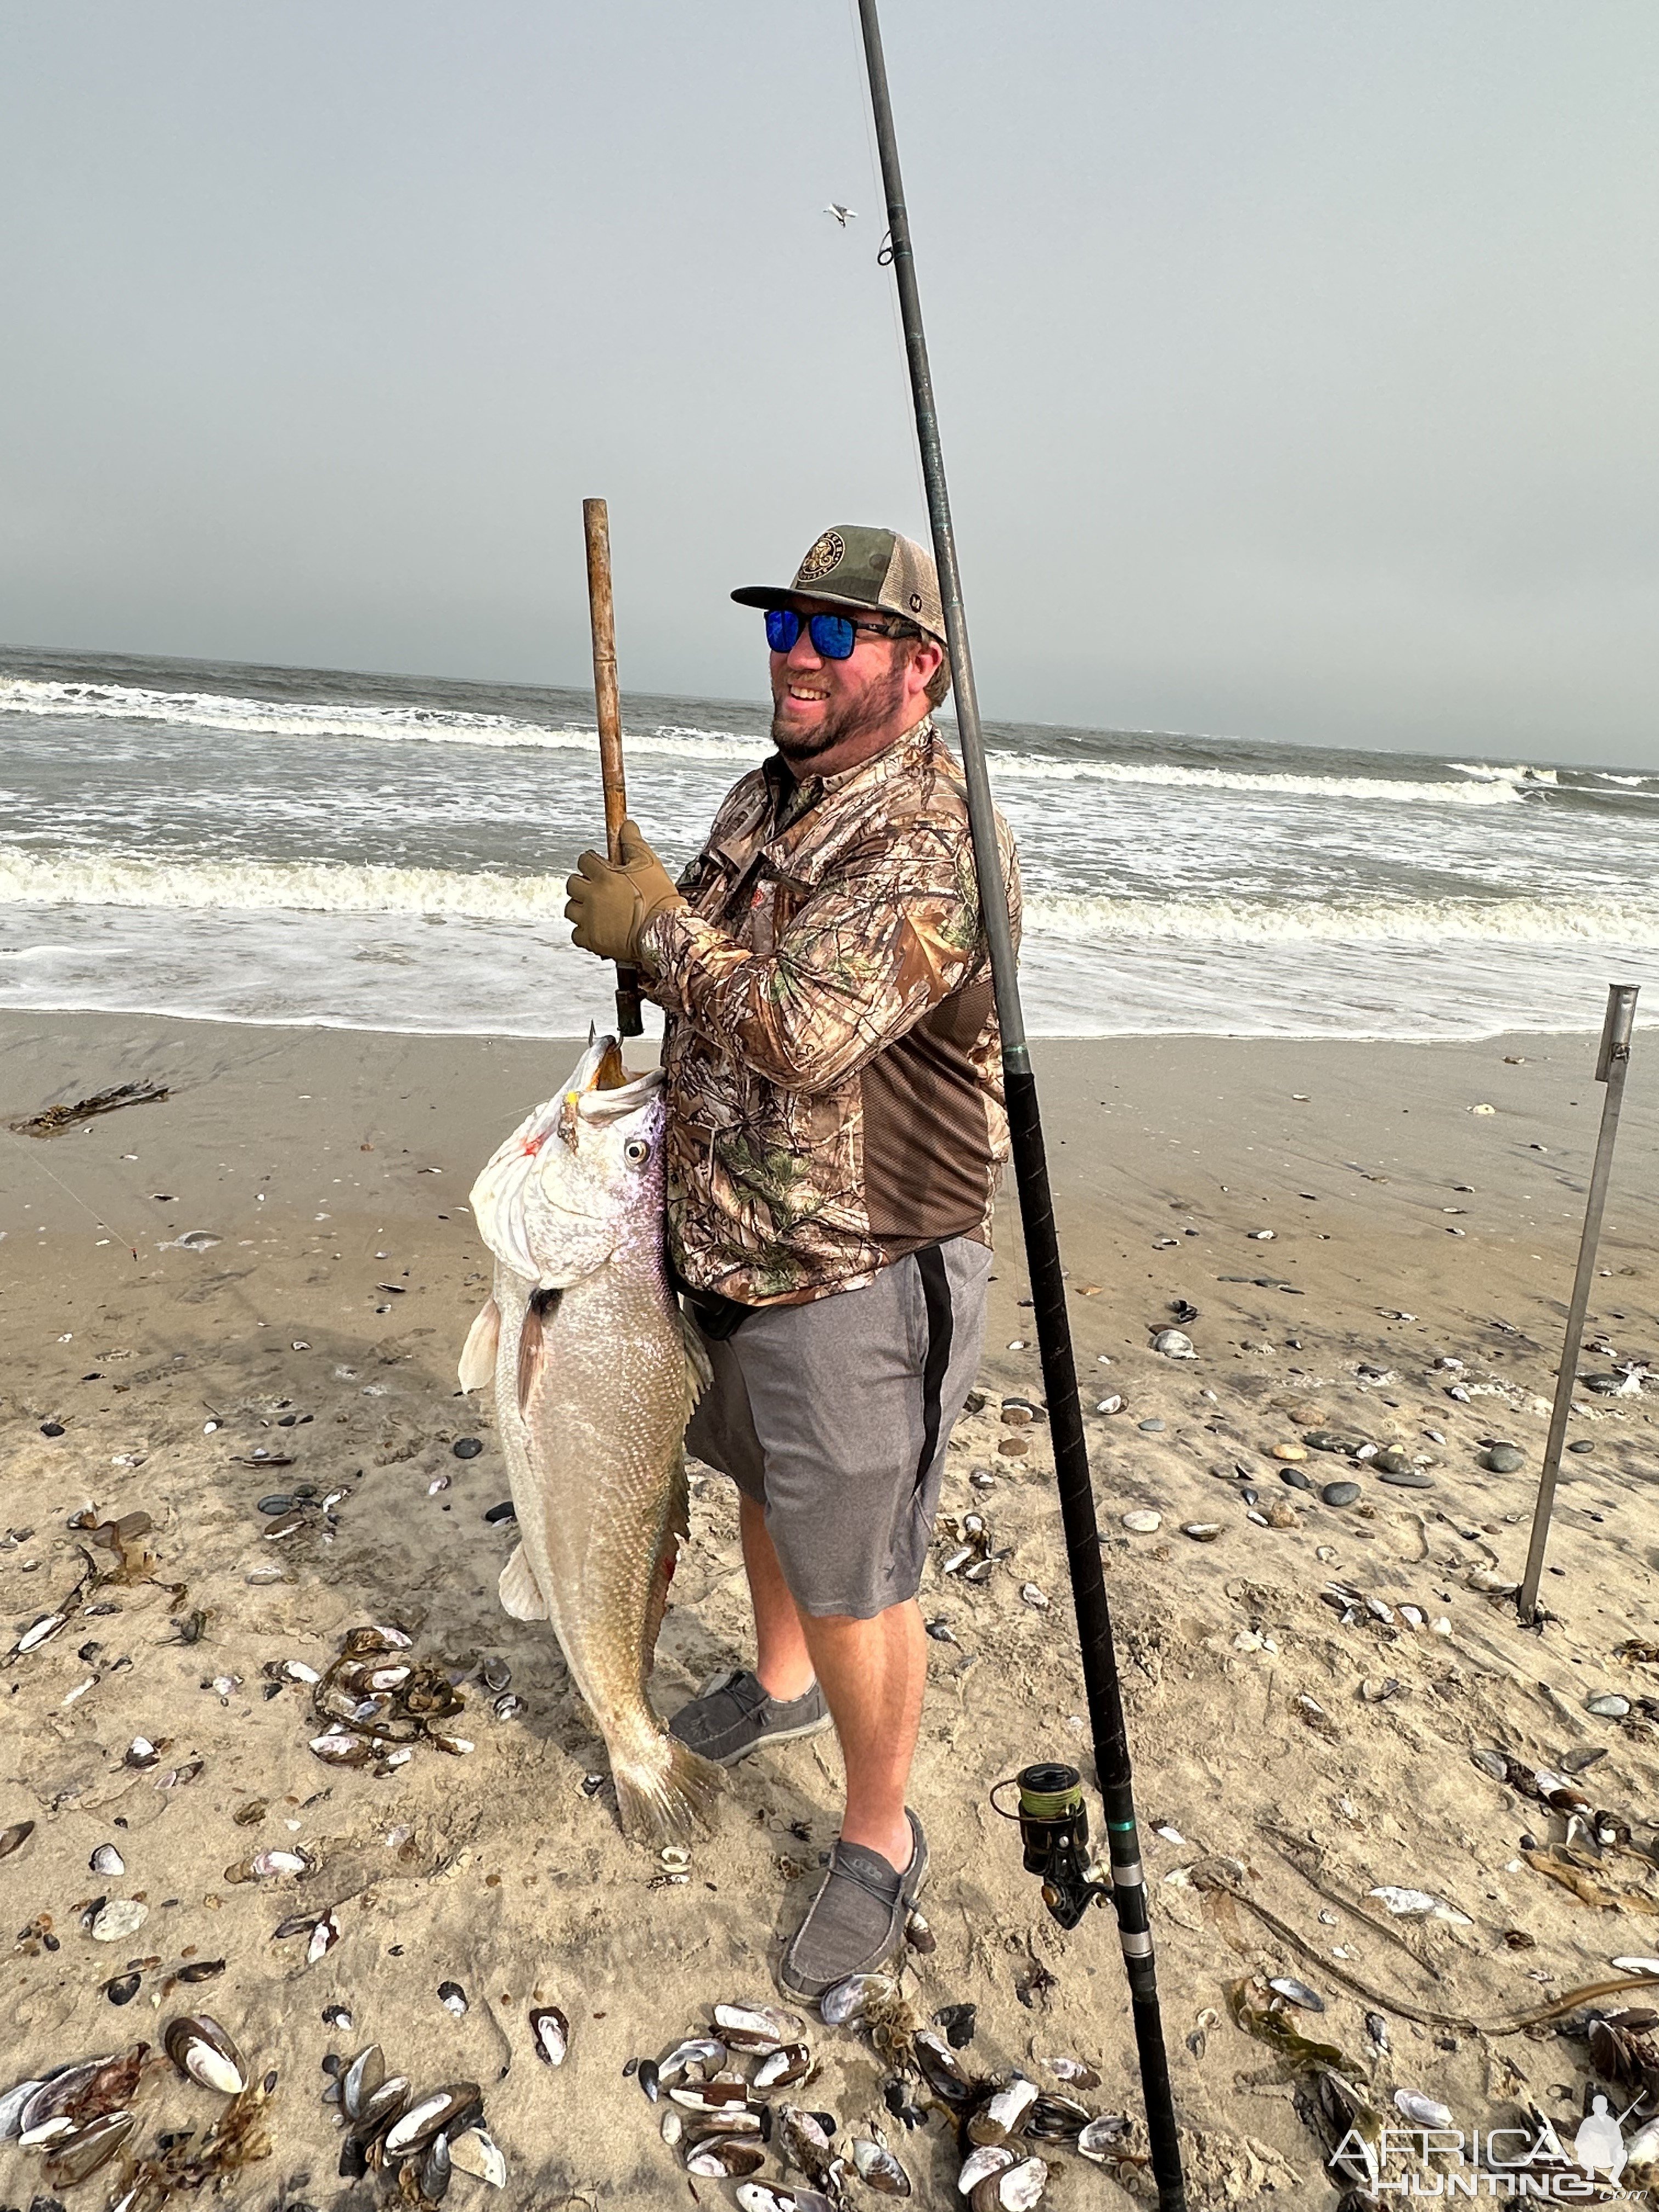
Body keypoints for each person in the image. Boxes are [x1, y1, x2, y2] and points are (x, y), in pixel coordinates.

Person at [563, 523, 1019, 1998]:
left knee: (862, 1574)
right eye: (785, 627)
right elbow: (698, 957)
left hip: (862, 1273)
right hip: (727, 1244)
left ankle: (881, 1839)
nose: (797, 654)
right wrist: (640, 931)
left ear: (920, 668)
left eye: (838, 633)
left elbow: (810, 1033)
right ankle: (776, 1686)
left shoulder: (939, 836)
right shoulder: (771, 795)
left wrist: (666, 939)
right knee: (757, 1486)